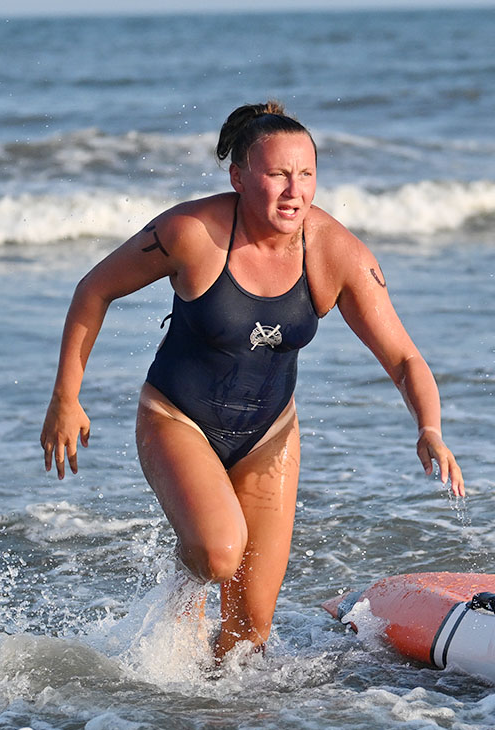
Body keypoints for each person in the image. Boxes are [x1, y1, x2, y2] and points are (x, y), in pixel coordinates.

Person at [40, 101, 464, 660]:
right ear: (238, 177)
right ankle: (187, 573)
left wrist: (430, 428)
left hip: (270, 435)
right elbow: (94, 289)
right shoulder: (190, 233)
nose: (294, 191)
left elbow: (405, 358)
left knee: (249, 636)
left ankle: (208, 710)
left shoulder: (335, 251)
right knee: (219, 554)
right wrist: (66, 398)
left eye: (306, 174)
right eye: (277, 174)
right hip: (177, 418)